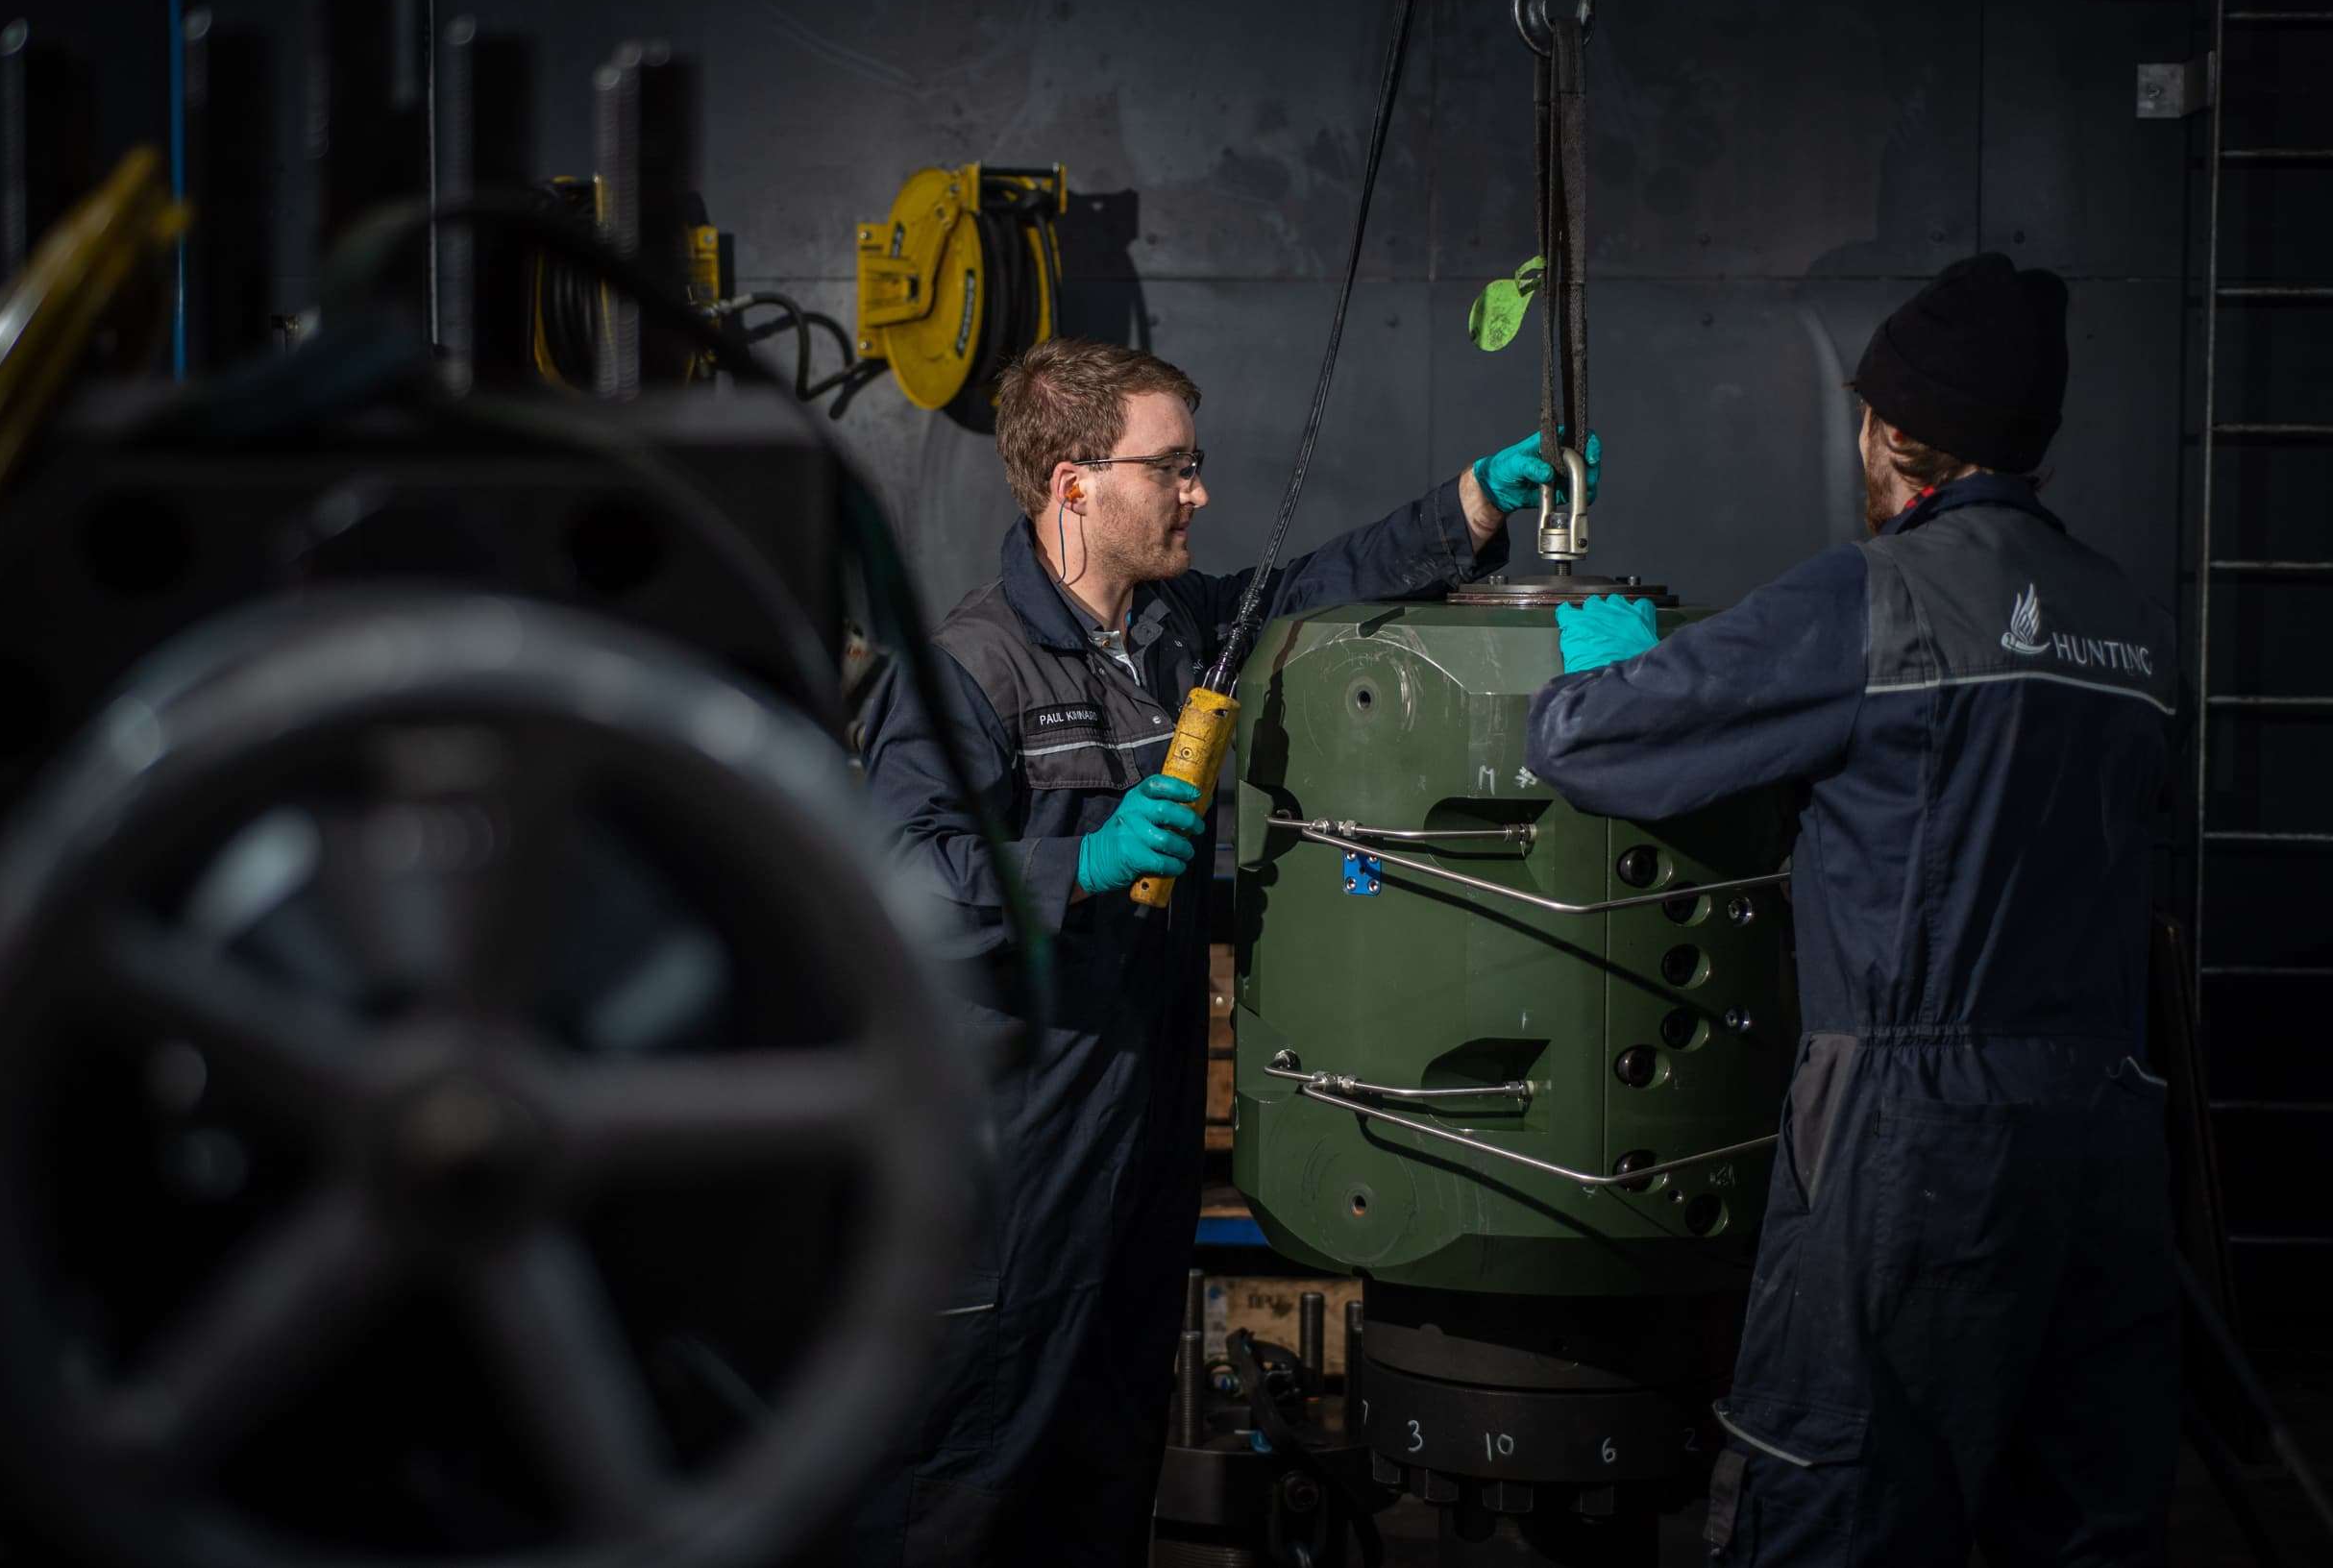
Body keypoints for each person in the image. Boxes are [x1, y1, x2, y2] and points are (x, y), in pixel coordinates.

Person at [854, 336, 1589, 1564]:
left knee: (1106, 1459)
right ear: (1073, 483)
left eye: (1197, 466)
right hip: (1009, 1157)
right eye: (1174, 467)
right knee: (972, 1471)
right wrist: (1076, 861)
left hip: (1132, 1141)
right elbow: (886, 881)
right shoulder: (967, 671)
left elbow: (1316, 585)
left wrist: (1470, 502)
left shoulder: (1171, 631)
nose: (1198, 492)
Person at [1524, 254, 2180, 1565]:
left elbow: (1587, 741)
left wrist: (1609, 671)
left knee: (1834, 1499)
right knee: (2069, 1512)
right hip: (2107, 1138)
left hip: (1915, 1140)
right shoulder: (2130, 620)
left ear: (1886, 431)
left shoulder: (1872, 599)